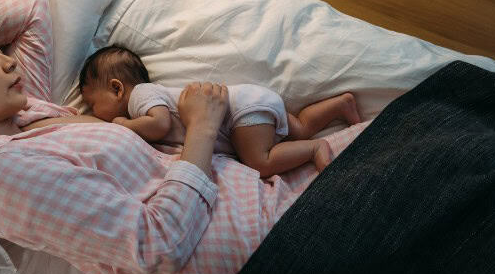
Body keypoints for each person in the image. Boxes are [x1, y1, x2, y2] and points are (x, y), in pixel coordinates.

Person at [0, 0, 366, 274]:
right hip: (262, 248)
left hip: (263, 196)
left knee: (432, 127)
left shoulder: (24, 114)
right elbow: (157, 247)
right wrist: (201, 127)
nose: (9, 62)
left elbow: (31, 7)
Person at [79, 46, 361, 178]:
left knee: (260, 163)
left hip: (241, 113)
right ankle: (340, 105)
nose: (93, 111)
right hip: (252, 103)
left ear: (117, 88)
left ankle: (314, 149)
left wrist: (122, 125)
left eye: (93, 104)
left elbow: (160, 124)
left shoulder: (140, 96)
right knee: (297, 126)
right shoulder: (143, 100)